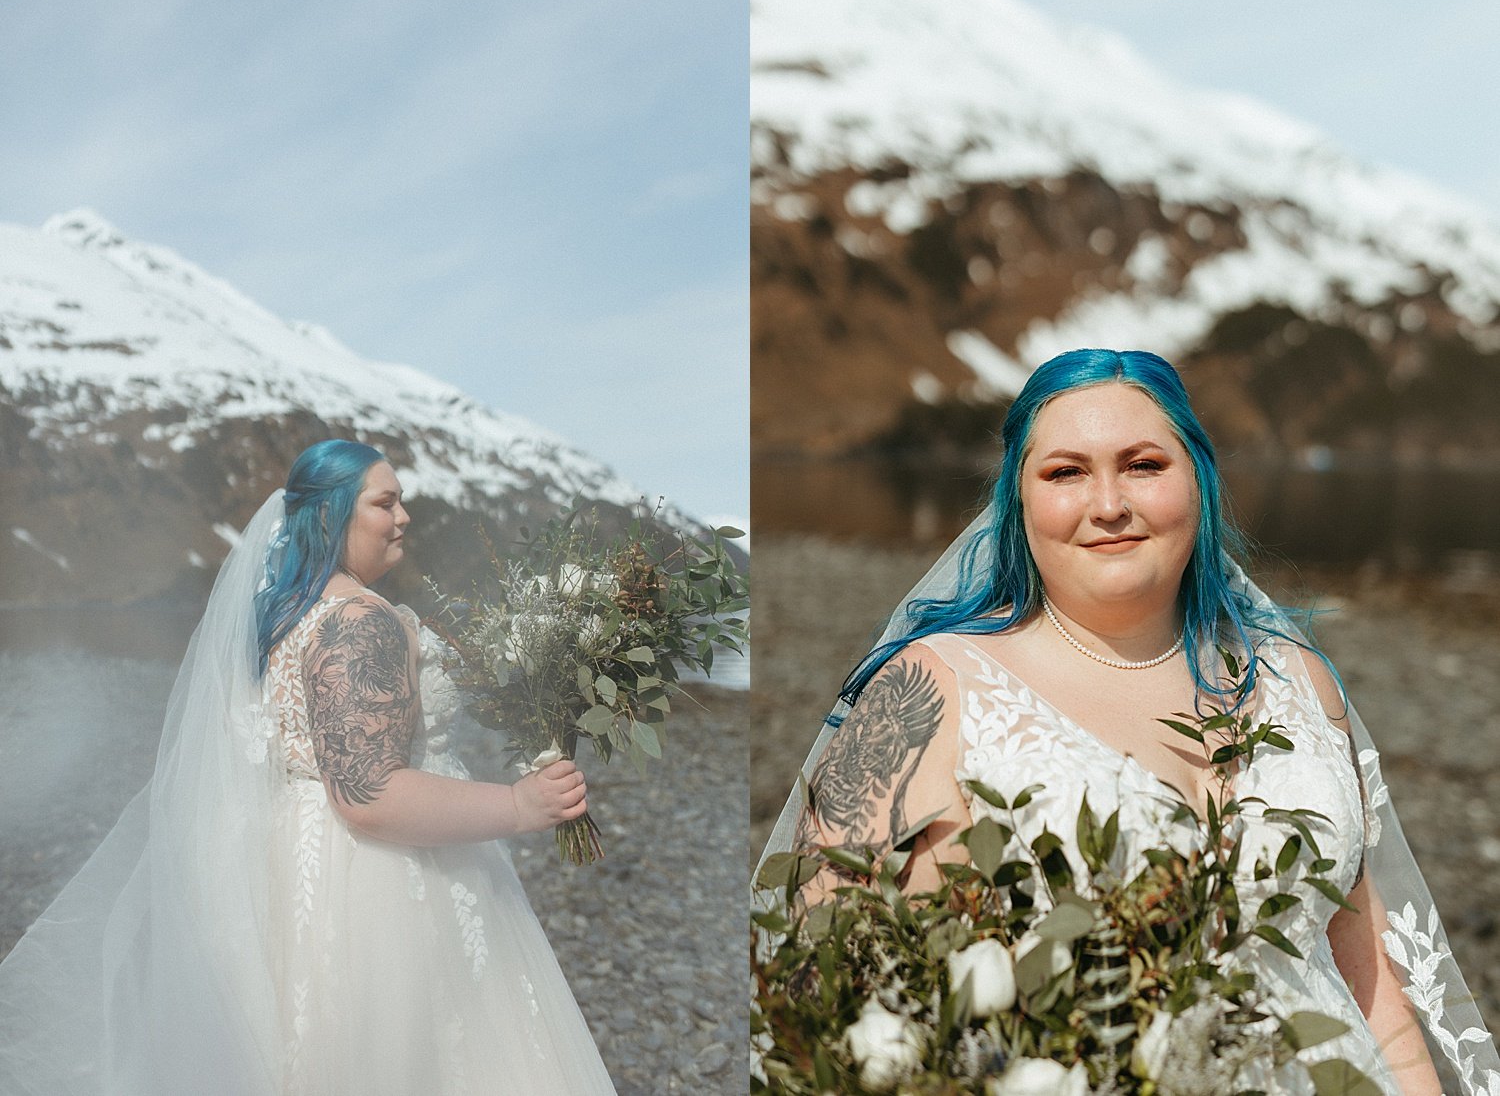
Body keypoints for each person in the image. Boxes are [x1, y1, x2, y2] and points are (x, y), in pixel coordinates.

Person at [760, 350, 1498, 1094]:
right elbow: (817, 981)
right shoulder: (934, 688)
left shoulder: (1297, 681)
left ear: (1199, 483)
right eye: (1065, 472)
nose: (1108, 502)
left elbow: (1371, 983)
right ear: (1017, 501)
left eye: (1143, 464)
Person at [0, 439, 618, 1095]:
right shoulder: (357, 620)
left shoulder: (287, 617)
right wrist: (520, 805)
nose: (404, 515)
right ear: (332, 515)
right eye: (386, 501)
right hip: (377, 879)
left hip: (295, 861)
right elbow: (369, 792)